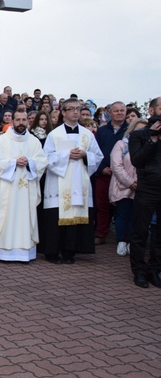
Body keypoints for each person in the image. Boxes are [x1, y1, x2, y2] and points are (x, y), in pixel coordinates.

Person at [42, 99, 103, 264]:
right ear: (63, 112)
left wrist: (85, 156)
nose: (75, 112)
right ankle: (52, 252)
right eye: (71, 109)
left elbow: (98, 157)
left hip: (79, 180)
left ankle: (70, 252)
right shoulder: (54, 134)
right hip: (58, 181)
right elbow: (45, 158)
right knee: (56, 217)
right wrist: (66, 155)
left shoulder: (87, 134)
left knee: (76, 216)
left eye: (78, 109)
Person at [0, 110, 48, 261]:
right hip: (6, 188)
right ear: (12, 121)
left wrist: (30, 162)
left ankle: (23, 253)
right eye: (17, 119)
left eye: (24, 120)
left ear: (28, 121)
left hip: (26, 190)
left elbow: (43, 162)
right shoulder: (1, 141)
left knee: (24, 217)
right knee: (3, 216)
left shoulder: (34, 141)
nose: (21, 123)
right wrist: (13, 162)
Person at [129, 98, 161, 288]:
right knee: (140, 231)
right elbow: (137, 161)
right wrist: (152, 139)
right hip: (147, 188)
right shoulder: (139, 135)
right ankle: (139, 271)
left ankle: (155, 270)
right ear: (151, 110)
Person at [111, 118, 146, 256]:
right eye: (138, 129)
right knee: (123, 214)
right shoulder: (122, 144)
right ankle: (121, 241)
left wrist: (140, 183)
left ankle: (132, 242)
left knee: (136, 216)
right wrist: (130, 182)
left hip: (142, 186)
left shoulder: (149, 145)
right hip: (123, 185)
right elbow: (116, 165)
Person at [94, 101, 128, 245]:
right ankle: (101, 234)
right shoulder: (102, 131)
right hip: (104, 174)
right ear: (110, 113)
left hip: (123, 175)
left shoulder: (129, 131)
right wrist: (102, 168)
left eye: (122, 110)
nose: (119, 113)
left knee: (123, 207)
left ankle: (123, 238)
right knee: (102, 205)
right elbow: (95, 152)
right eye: (116, 111)